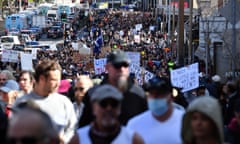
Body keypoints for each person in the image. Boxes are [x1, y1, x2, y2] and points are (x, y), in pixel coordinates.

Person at [14, 59, 78, 144]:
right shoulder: (22, 103)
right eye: (54, 80)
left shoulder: (64, 103)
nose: (58, 84)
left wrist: (64, 140)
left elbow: (72, 129)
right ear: (42, 79)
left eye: (59, 80)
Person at [79, 49, 147, 127]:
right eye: (117, 65)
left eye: (125, 65)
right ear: (107, 67)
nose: (122, 69)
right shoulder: (93, 94)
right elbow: (83, 127)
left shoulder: (139, 94)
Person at [77, 84, 144, 144]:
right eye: (103, 104)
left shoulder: (133, 139)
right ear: (94, 108)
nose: (109, 109)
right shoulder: (78, 138)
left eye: (114, 104)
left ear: (119, 108)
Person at [127, 76, 184, 144]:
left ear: (171, 96)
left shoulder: (186, 121)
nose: (155, 97)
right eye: (151, 94)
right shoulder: (134, 125)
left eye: (160, 94)